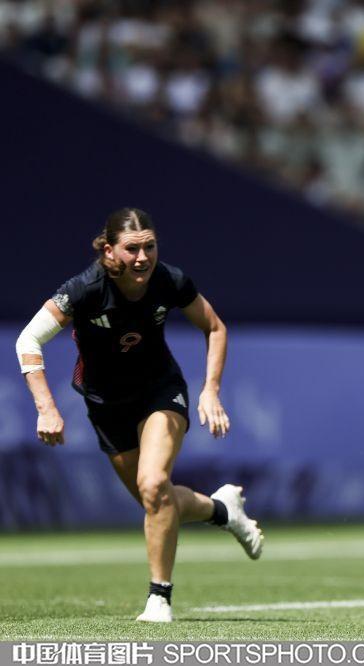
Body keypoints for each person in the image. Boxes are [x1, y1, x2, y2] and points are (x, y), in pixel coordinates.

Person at [15, 208, 263, 623]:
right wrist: (46, 407)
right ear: (109, 250)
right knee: (157, 499)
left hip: (159, 392)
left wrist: (211, 390)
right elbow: (28, 340)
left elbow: (215, 327)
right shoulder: (84, 289)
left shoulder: (170, 280)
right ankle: (223, 510)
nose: (143, 257)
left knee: (153, 484)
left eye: (150, 246)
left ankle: (159, 598)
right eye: (132, 248)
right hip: (106, 406)